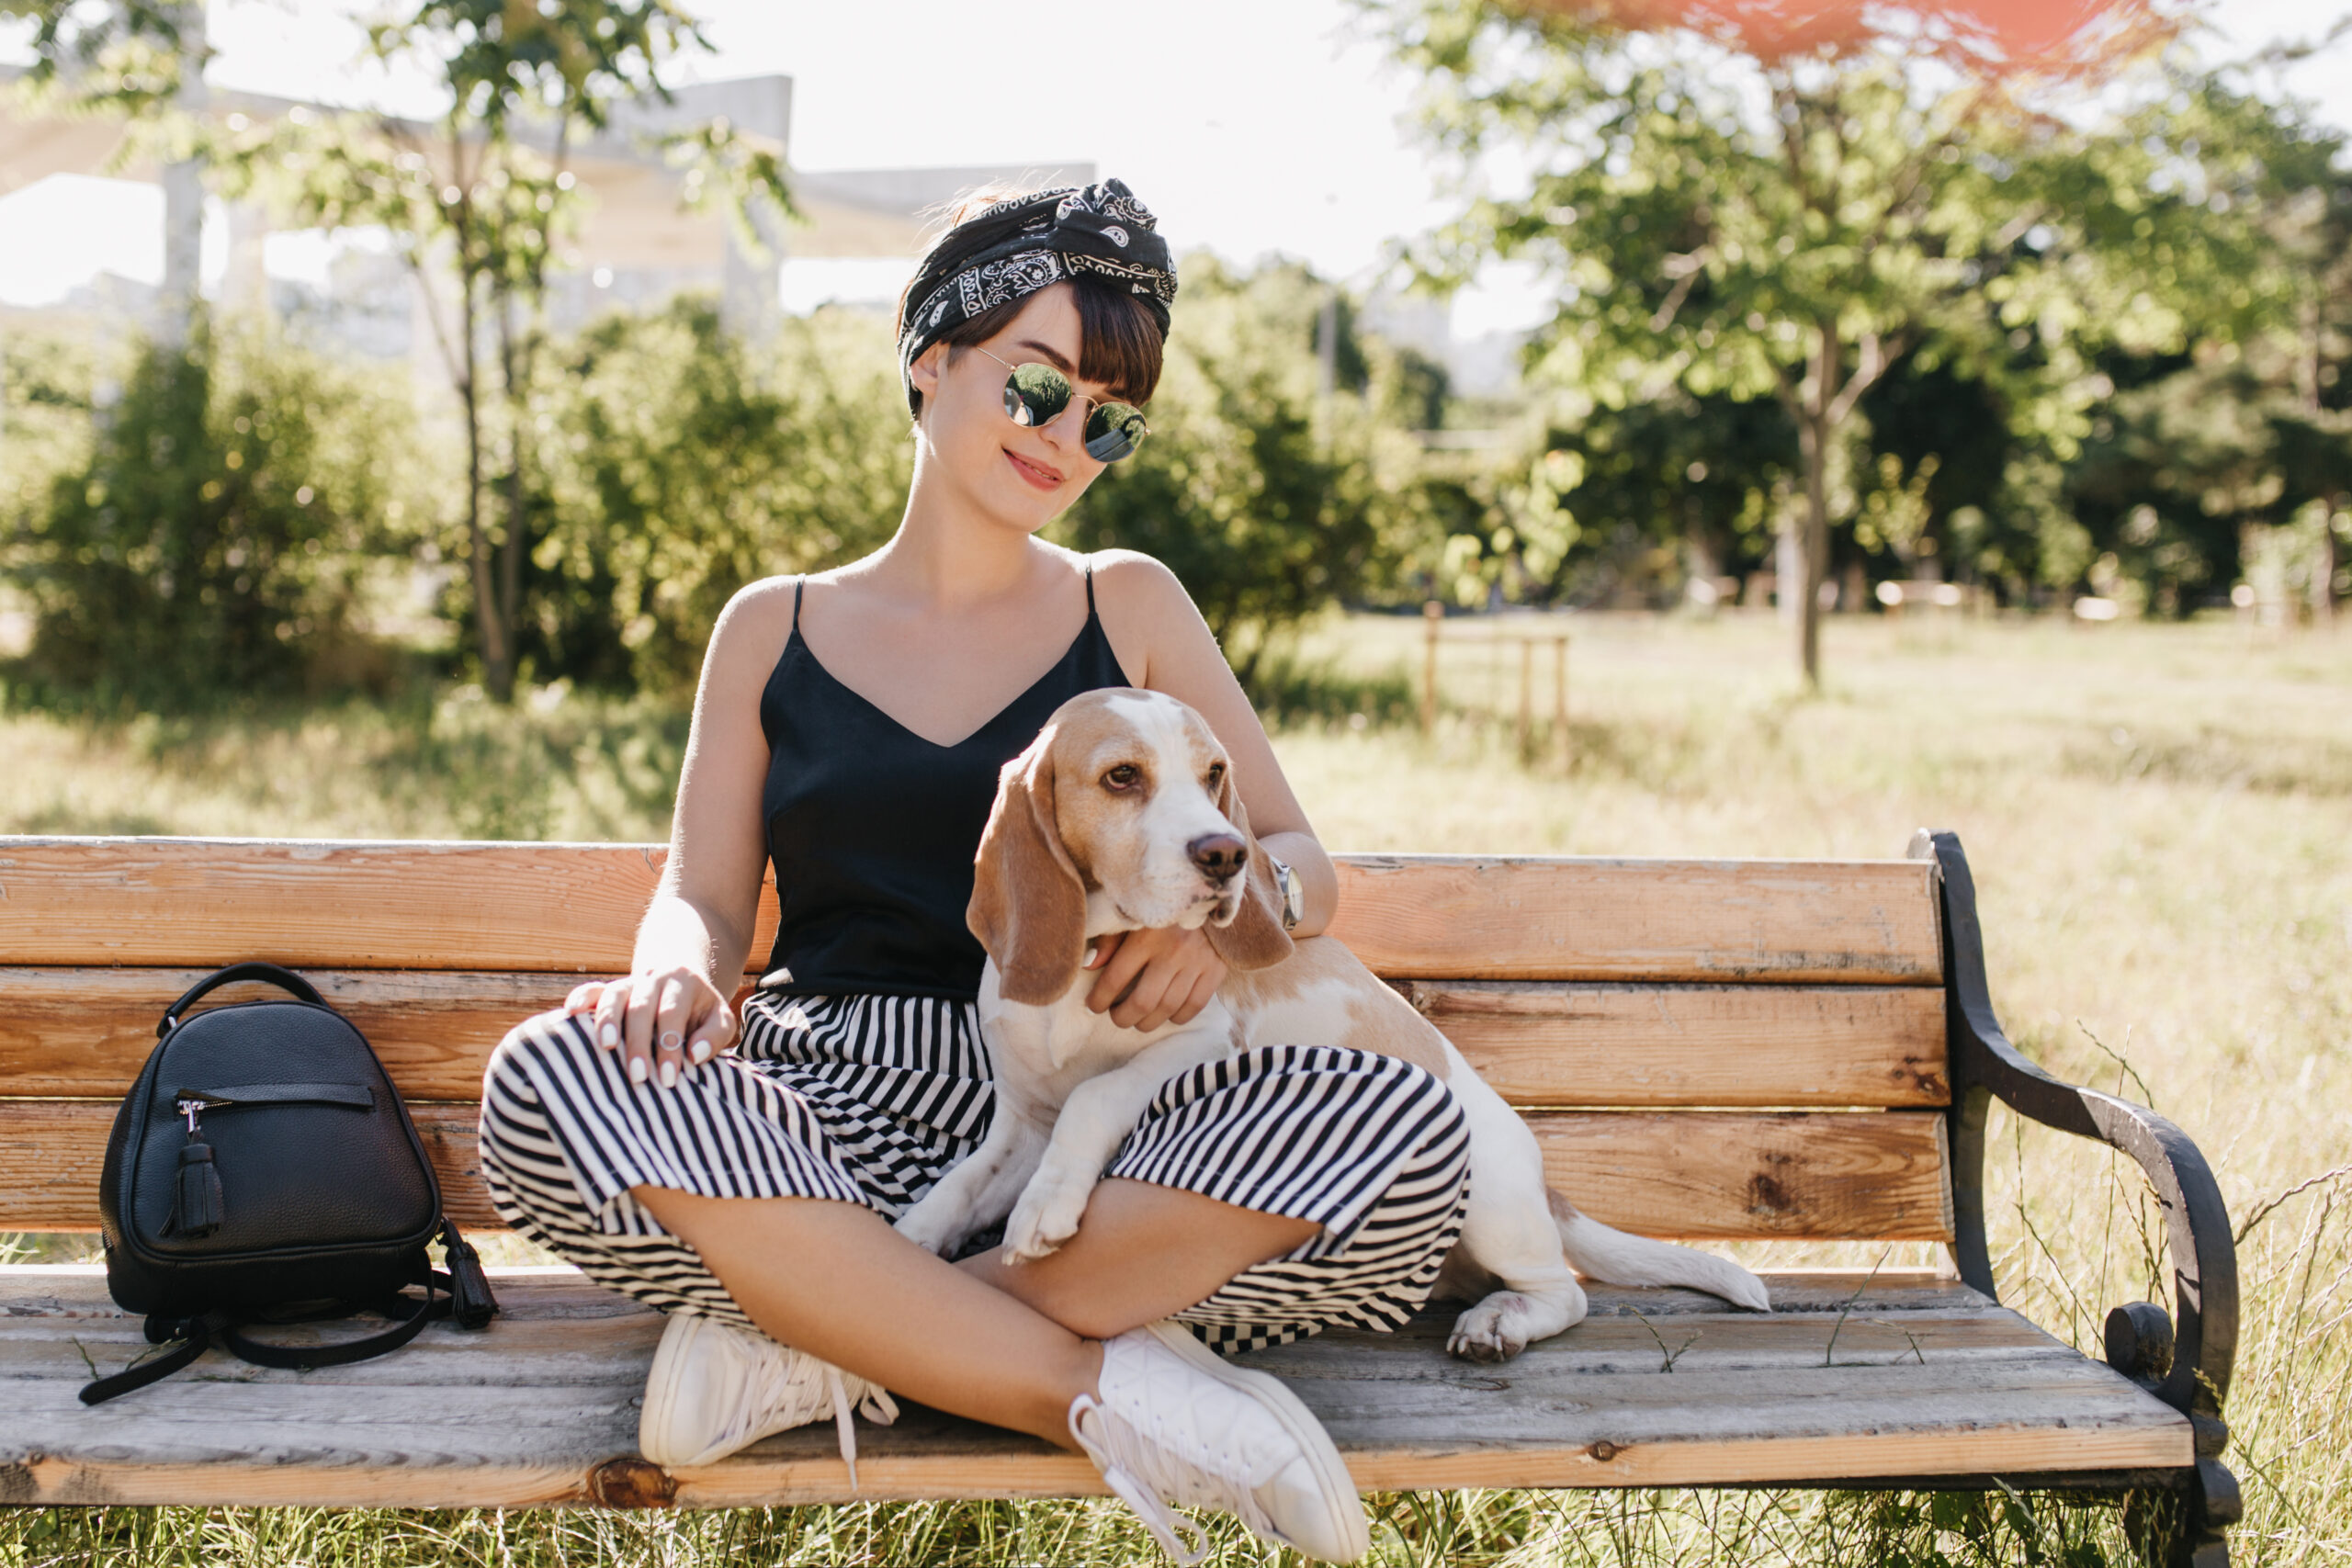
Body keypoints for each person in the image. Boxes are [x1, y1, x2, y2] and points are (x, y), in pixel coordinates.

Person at [475, 180, 1469, 1564]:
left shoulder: (1130, 604)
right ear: (932, 360)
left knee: (1399, 1130)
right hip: (814, 1116)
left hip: (1099, 1105)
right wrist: (673, 978)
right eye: (1039, 389)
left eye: (1108, 420)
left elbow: (1299, 858)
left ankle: (829, 1345)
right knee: (546, 1076)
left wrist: (1231, 919)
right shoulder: (773, 628)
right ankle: (1104, 1384)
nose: (1069, 441)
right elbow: (704, 900)